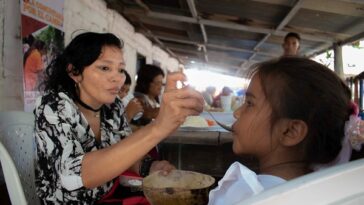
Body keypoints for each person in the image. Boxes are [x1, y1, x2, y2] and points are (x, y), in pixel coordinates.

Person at [34, 32, 204, 204]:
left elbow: (125, 150)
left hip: (109, 197)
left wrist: (149, 167)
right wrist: (158, 128)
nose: (117, 78)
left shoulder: (112, 107)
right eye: (105, 68)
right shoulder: (53, 106)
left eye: (120, 69)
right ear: (74, 72)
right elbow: (75, 176)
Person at [208, 56, 364, 204]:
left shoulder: (244, 195)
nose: (237, 113)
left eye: (249, 103)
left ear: (290, 131)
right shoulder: (321, 195)